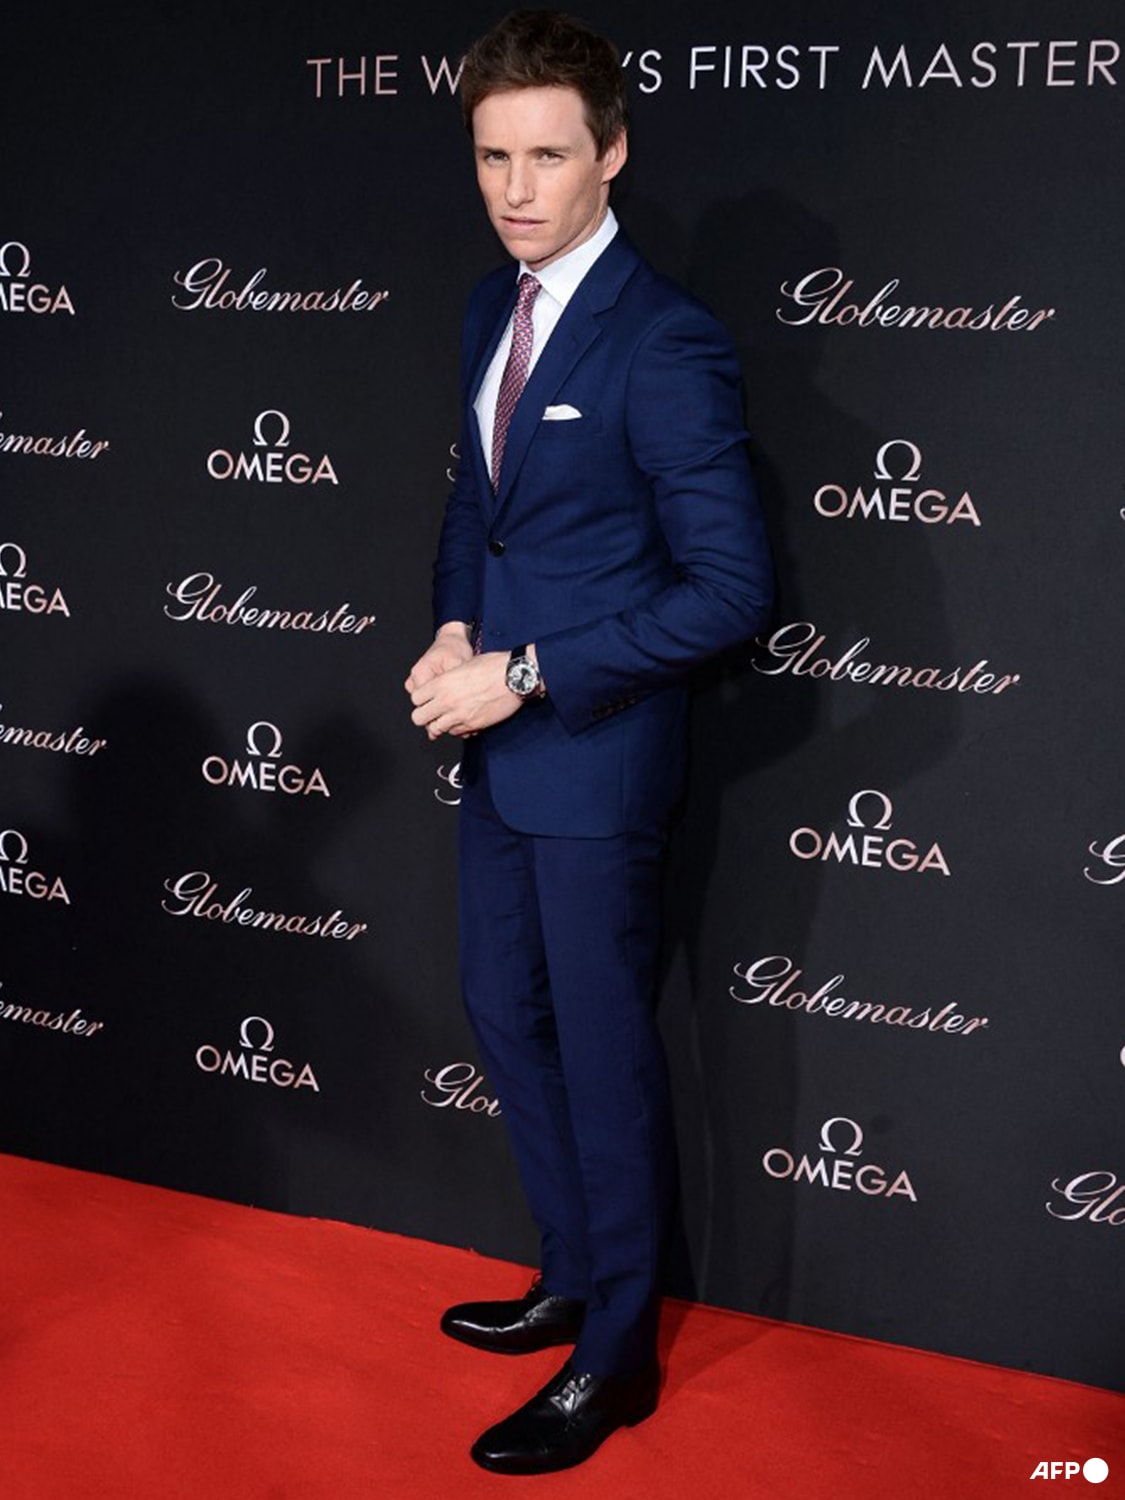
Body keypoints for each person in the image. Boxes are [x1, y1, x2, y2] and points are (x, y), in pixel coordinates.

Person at [405, 9, 773, 1475]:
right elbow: (476, 508)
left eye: (548, 156)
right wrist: (453, 630)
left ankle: (616, 1355)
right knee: (504, 1011)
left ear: (611, 153)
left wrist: (528, 672)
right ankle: (569, 1271)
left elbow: (729, 591)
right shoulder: (488, 309)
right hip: (499, 745)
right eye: (492, 156)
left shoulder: (666, 340)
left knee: (606, 1048)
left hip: (596, 754)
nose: (516, 188)